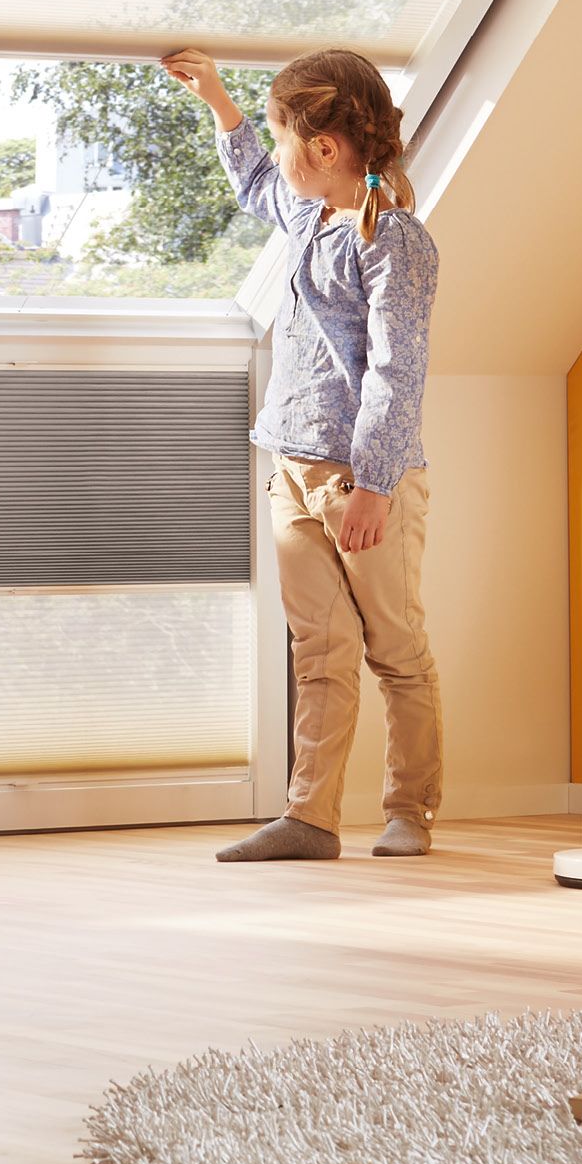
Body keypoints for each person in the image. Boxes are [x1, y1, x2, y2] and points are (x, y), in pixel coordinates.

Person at [161, 48, 441, 864]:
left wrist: (376, 485)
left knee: (396, 647)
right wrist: (218, 99)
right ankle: (311, 816)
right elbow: (256, 181)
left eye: (284, 132)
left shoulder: (395, 244)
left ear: (322, 147)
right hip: (289, 463)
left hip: (363, 478)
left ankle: (411, 810)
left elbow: (398, 370)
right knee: (319, 650)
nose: (279, 152)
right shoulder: (304, 212)